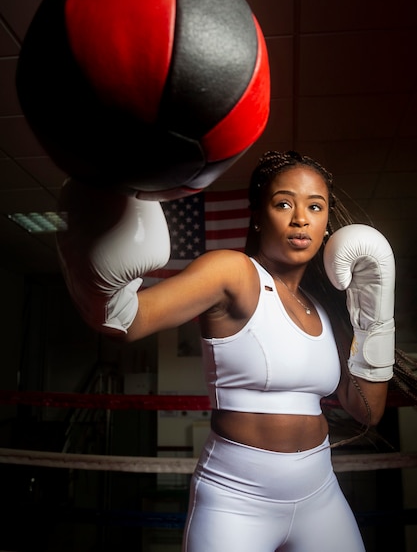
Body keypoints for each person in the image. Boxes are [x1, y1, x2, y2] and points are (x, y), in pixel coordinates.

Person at [57, 150, 395, 552]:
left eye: (314, 206)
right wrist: (96, 271)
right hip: (237, 501)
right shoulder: (234, 273)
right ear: (257, 214)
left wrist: (375, 317)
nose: (300, 218)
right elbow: (125, 322)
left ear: (326, 224)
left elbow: (368, 411)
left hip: (319, 494)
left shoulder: (322, 305)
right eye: (283, 203)